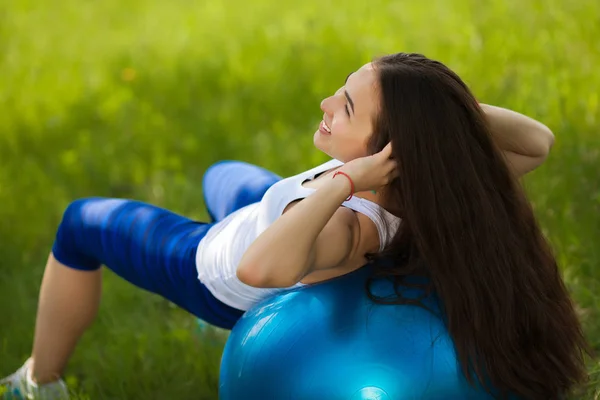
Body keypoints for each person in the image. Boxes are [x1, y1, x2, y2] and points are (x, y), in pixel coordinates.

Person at [1, 52, 590, 400]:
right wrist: (439, 113)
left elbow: (256, 265)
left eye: (346, 108)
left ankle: (39, 380)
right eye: (341, 91)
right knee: (221, 172)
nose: (324, 104)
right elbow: (539, 143)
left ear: (386, 149)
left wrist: (342, 180)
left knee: (79, 223)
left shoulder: (347, 228)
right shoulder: (419, 188)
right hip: (273, 208)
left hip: (217, 265)